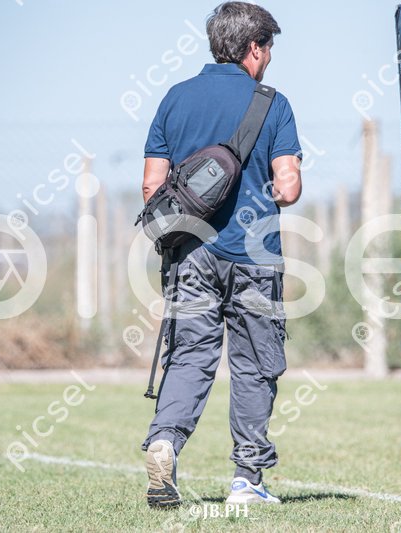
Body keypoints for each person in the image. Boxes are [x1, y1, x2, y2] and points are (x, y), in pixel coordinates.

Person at [140, 1, 302, 509]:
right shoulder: (273, 104)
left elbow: (150, 188)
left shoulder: (175, 98)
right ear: (254, 47)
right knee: (254, 364)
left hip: (189, 254)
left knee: (190, 355)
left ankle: (165, 441)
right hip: (254, 257)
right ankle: (247, 479)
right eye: (269, 48)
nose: (270, 58)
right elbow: (289, 188)